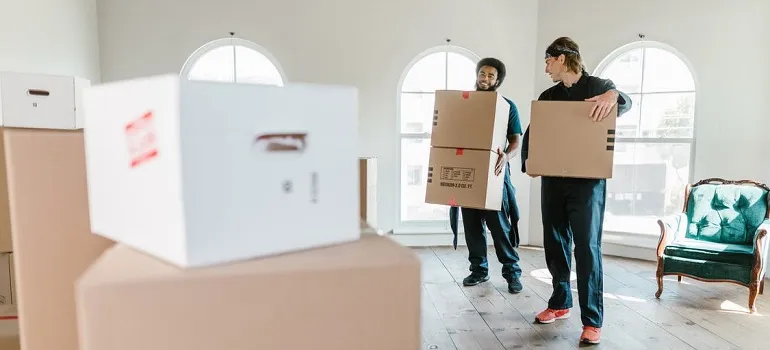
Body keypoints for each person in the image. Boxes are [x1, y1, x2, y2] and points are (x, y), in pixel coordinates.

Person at [520, 37, 632, 345]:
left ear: (561, 59)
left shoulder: (598, 87)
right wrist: (528, 160)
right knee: (554, 244)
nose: (546, 69)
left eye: (547, 62)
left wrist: (613, 94)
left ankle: (592, 320)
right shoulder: (549, 95)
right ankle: (560, 303)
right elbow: (534, 131)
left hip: (587, 185)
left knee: (586, 248)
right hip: (553, 182)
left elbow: (626, 102)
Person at [448, 57, 524, 294]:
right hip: (467, 171)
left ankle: (512, 273)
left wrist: (506, 157)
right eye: (483, 73)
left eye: (491, 75)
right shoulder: (464, 102)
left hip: (494, 172)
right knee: (471, 226)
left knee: (499, 226)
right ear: (477, 74)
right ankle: (479, 270)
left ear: (497, 80)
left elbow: (515, 141)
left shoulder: (506, 106)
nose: (486, 78)